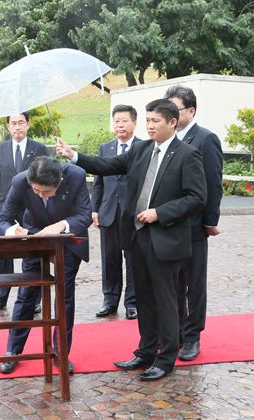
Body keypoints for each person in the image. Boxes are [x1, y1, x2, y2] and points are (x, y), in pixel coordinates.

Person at [57, 99, 207, 381]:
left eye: (155, 121)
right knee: (145, 298)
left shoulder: (188, 154)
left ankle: (165, 359)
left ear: (172, 123)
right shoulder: (139, 150)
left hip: (166, 238)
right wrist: (73, 155)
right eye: (148, 120)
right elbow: (107, 165)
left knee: (166, 300)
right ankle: (146, 350)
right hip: (137, 237)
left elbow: (197, 198)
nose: (149, 126)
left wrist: (160, 213)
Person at [0, 156, 92, 375]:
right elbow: (3, 219)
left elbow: (85, 214)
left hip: (67, 240)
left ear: (59, 181)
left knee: (64, 296)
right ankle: (13, 351)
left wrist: (61, 226)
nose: (40, 195)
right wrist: (13, 232)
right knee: (27, 293)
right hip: (34, 237)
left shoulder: (75, 176)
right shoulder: (21, 182)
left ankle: (61, 352)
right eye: (36, 191)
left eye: (46, 192)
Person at [164, 85, 223, 361]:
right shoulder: (167, 139)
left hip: (195, 225)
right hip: (169, 225)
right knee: (173, 282)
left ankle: (192, 336)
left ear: (190, 110)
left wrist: (210, 221)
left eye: (174, 109)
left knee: (193, 282)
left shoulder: (205, 139)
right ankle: (174, 332)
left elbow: (213, 183)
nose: (169, 114)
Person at [0, 112, 47, 311]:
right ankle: (0, 296)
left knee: (33, 254)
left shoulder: (38, 148)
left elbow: (45, 178)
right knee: (4, 254)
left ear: (28, 124)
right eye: (13, 123)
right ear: (8, 126)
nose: (17, 127)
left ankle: (34, 298)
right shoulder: (0, 149)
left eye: (21, 122)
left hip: (32, 208)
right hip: (6, 208)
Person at [92, 105, 141, 320]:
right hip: (108, 212)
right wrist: (95, 209)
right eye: (116, 121)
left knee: (133, 259)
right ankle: (110, 301)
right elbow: (98, 182)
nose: (119, 125)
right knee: (109, 259)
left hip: (133, 214)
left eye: (124, 121)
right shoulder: (106, 149)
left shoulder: (144, 147)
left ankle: (133, 302)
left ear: (134, 123)